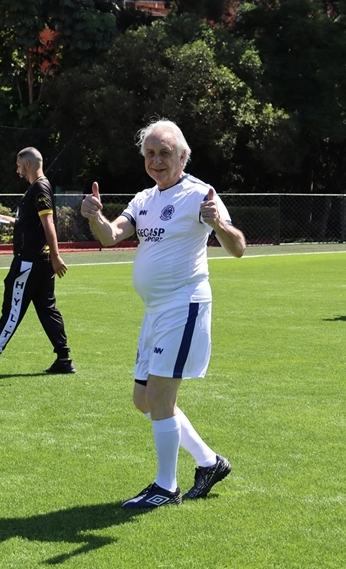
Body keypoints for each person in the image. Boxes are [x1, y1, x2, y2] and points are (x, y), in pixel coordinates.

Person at [80, 119, 246, 509]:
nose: (156, 160)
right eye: (150, 154)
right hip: (155, 311)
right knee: (144, 399)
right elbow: (110, 235)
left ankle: (165, 487)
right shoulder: (144, 199)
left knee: (158, 396)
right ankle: (209, 462)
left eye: (165, 153)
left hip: (183, 306)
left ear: (183, 156)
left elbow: (238, 247)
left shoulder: (199, 194)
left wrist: (217, 222)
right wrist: (93, 216)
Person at [0, 147, 76, 375]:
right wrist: (6, 220)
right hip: (38, 263)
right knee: (47, 309)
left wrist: (56, 255)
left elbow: (48, 223)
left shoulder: (40, 188)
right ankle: (63, 358)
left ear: (28, 165)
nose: (17, 170)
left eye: (19, 165)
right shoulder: (36, 189)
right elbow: (29, 222)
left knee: (13, 309)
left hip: (30, 262)